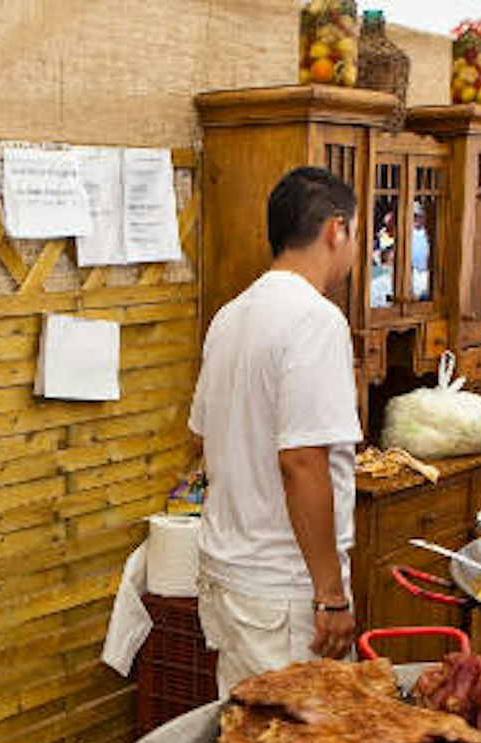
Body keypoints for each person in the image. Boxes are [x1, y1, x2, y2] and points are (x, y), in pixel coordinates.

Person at [191, 165, 362, 696]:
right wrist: (330, 594)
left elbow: (199, 436)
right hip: (284, 591)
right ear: (337, 230)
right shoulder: (315, 319)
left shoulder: (231, 316)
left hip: (230, 578)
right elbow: (302, 461)